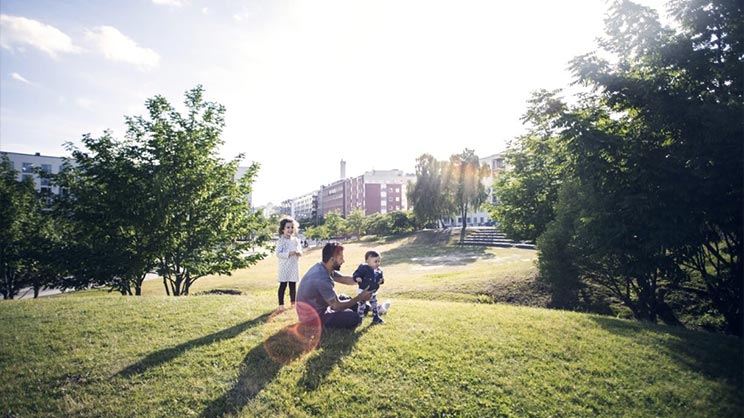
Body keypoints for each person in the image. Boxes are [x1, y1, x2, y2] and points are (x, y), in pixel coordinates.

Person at [296, 242, 374, 329]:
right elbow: (336, 305)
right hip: (312, 319)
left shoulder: (323, 267)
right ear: (332, 260)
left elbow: (344, 279)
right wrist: (360, 297)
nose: (343, 261)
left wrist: (364, 280)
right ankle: (362, 311)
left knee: (344, 297)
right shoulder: (322, 277)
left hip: (319, 307)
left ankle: (374, 308)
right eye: (341, 258)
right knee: (353, 317)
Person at [276, 216, 302, 311]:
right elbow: (278, 253)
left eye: (292, 227)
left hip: (293, 266)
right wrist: (288, 254)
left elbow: (300, 250)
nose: (290, 229)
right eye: (288, 227)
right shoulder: (281, 241)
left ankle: (293, 303)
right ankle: (281, 305)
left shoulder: (295, 240)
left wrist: (298, 253)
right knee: (283, 285)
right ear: (283, 229)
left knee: (292, 285)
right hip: (284, 266)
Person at [352, 251, 385, 324]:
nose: (377, 263)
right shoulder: (363, 268)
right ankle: (359, 318)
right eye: (375, 261)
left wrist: (381, 281)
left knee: (374, 304)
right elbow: (356, 273)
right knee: (361, 305)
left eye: (379, 261)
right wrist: (357, 277)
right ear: (368, 261)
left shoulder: (379, 271)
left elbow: (381, 278)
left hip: (373, 291)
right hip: (363, 291)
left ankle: (376, 317)